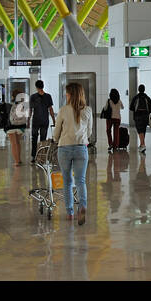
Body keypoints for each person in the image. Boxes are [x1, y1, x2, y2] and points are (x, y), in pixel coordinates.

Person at [51, 82, 92, 224]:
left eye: (67, 93)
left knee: (67, 181)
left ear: (71, 94)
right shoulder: (87, 110)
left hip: (64, 148)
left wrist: (55, 139)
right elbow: (90, 132)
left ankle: (69, 212)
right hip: (81, 148)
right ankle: (83, 207)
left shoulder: (63, 110)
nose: (65, 95)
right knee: (80, 181)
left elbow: (56, 132)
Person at [28, 80, 55, 162]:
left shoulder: (33, 97)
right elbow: (50, 109)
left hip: (36, 120)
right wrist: (54, 120)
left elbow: (30, 110)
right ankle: (42, 156)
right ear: (43, 86)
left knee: (34, 138)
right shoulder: (48, 96)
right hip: (44, 120)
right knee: (43, 139)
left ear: (36, 87)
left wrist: (28, 120)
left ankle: (33, 156)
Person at [5, 90, 29, 167]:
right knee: (17, 143)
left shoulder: (11, 105)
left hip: (12, 126)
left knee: (13, 144)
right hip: (21, 126)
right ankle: (19, 159)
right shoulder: (23, 105)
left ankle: (17, 161)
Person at [130, 84, 151, 153]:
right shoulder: (147, 97)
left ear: (138, 89)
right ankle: (141, 145)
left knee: (140, 130)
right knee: (143, 130)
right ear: (144, 89)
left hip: (138, 116)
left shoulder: (136, 97)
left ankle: (143, 145)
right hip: (145, 116)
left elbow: (131, 108)